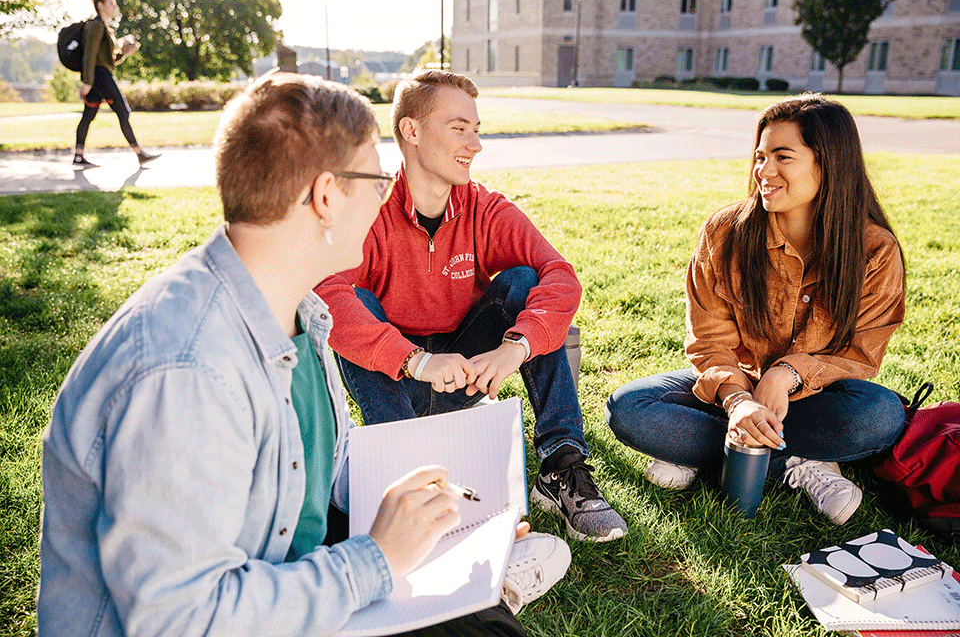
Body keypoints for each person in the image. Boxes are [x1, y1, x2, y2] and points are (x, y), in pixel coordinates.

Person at [38, 72, 569, 637]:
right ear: (325, 197)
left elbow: (307, 471)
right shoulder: (185, 370)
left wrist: (433, 517)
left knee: (478, 619)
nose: (389, 193)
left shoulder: (301, 315)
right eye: (375, 180)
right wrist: (378, 561)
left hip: (280, 577)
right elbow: (178, 620)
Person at [314, 69, 627, 543]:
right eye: (459, 128)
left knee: (525, 281)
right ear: (412, 132)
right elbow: (327, 296)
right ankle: (405, 472)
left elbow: (559, 275)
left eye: (476, 130)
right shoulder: (371, 210)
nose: (475, 144)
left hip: (468, 370)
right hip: (400, 383)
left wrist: (516, 348)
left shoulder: (485, 208)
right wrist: (414, 361)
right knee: (352, 299)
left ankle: (562, 465)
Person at [605, 94, 906, 526]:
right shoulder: (724, 232)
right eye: (760, 156)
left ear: (829, 163)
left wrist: (786, 375)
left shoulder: (874, 249)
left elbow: (859, 354)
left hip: (815, 399)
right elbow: (709, 342)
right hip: (735, 388)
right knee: (629, 407)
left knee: (879, 416)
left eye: (783, 157)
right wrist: (740, 401)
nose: (764, 172)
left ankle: (720, 454)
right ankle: (795, 459)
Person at [72, 0, 158, 168]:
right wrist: (87, 82)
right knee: (123, 111)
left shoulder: (105, 28)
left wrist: (124, 53)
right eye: (111, 3)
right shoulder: (95, 26)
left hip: (100, 74)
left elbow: (107, 59)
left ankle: (79, 156)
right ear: (100, 5)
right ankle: (140, 154)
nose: (115, 6)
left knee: (88, 115)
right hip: (100, 76)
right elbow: (89, 55)